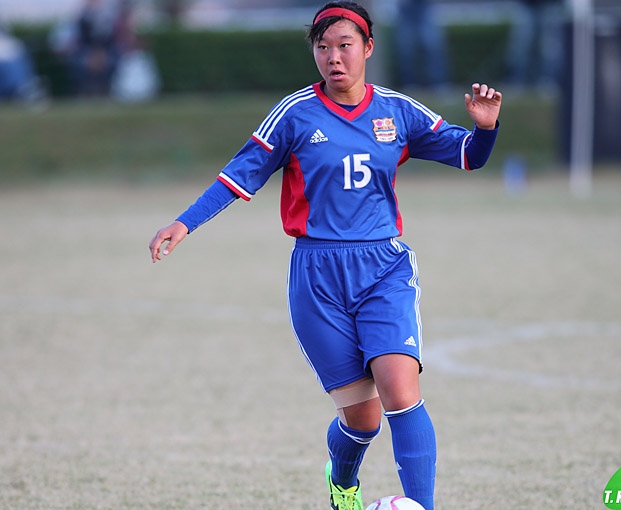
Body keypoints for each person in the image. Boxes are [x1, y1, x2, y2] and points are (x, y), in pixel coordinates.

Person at [148, 2, 502, 509]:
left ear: (368, 48)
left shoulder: (398, 110)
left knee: (400, 392)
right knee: (363, 420)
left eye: (345, 45)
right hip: (317, 277)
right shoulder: (295, 114)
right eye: (323, 47)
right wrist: (185, 222)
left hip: (383, 268)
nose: (334, 57)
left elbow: (469, 156)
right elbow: (240, 174)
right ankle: (343, 481)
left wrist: (485, 129)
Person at [394, 0, 451, 92]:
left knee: (431, 46)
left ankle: (438, 83)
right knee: (407, 49)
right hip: (406, 7)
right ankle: (410, 84)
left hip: (423, 5)